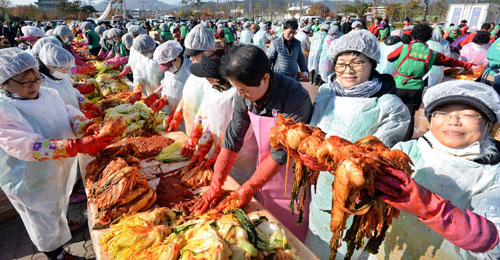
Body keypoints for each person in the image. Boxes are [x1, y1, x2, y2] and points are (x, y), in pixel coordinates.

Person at [303, 30, 410, 259]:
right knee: (317, 241)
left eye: (357, 63)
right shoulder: (325, 93)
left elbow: (377, 156)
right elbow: (314, 133)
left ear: (372, 63)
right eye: (341, 64)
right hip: (322, 186)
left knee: (349, 244)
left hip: (360, 191)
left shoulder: (389, 106)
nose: (347, 70)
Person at [0, 48, 114, 260]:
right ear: (4, 83)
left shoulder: (47, 94)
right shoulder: (5, 110)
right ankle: (57, 255)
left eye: (36, 77)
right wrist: (75, 146)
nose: (34, 85)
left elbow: (68, 112)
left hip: (55, 169)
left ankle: (62, 225)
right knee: (41, 220)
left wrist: (84, 124)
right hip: (30, 179)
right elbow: (27, 147)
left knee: (58, 204)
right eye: (26, 82)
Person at [367, 80, 500, 259]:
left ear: (489, 126)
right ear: (430, 120)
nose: (453, 121)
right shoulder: (406, 151)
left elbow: (493, 244)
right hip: (391, 249)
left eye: (468, 115)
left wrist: (431, 208)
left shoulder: (492, 174)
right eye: (443, 113)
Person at [194, 45, 313, 241]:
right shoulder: (245, 96)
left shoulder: (295, 97)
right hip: (263, 170)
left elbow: (281, 153)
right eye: (235, 88)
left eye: (243, 89)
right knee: (264, 228)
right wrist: (216, 183)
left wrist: (249, 187)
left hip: (291, 174)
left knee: (288, 237)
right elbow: (233, 138)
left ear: (265, 78)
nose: (239, 94)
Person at [181, 46, 259, 185]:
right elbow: (203, 113)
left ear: (218, 77)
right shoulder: (211, 86)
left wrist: (219, 153)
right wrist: (198, 139)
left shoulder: (237, 95)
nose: (204, 78)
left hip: (240, 156)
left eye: (206, 75)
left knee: (235, 185)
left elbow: (239, 131)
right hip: (218, 148)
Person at [388, 24, 475, 140]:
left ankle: (390, 138)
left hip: (398, 85)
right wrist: (466, 65)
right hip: (416, 88)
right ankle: (404, 141)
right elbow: (450, 61)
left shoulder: (404, 48)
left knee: (393, 112)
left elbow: (390, 57)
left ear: (413, 35)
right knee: (410, 116)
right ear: (428, 37)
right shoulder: (431, 54)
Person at [166, 24, 216, 134]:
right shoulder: (194, 72)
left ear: (207, 52)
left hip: (205, 135)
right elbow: (186, 97)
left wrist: (198, 135)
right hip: (190, 129)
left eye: (194, 54)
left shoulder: (214, 79)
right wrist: (177, 115)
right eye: (189, 54)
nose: (191, 58)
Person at [38, 44, 101, 118]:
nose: (65, 71)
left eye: (67, 69)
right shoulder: (41, 85)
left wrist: (86, 104)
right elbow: (53, 114)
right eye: (62, 68)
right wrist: (78, 118)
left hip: (77, 118)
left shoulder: (63, 76)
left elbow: (73, 92)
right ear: (48, 65)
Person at [145, 40, 191, 115]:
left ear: (176, 58)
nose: (168, 70)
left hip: (187, 114)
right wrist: (163, 99)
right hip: (172, 111)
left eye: (168, 67)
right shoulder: (170, 70)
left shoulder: (190, 69)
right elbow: (166, 85)